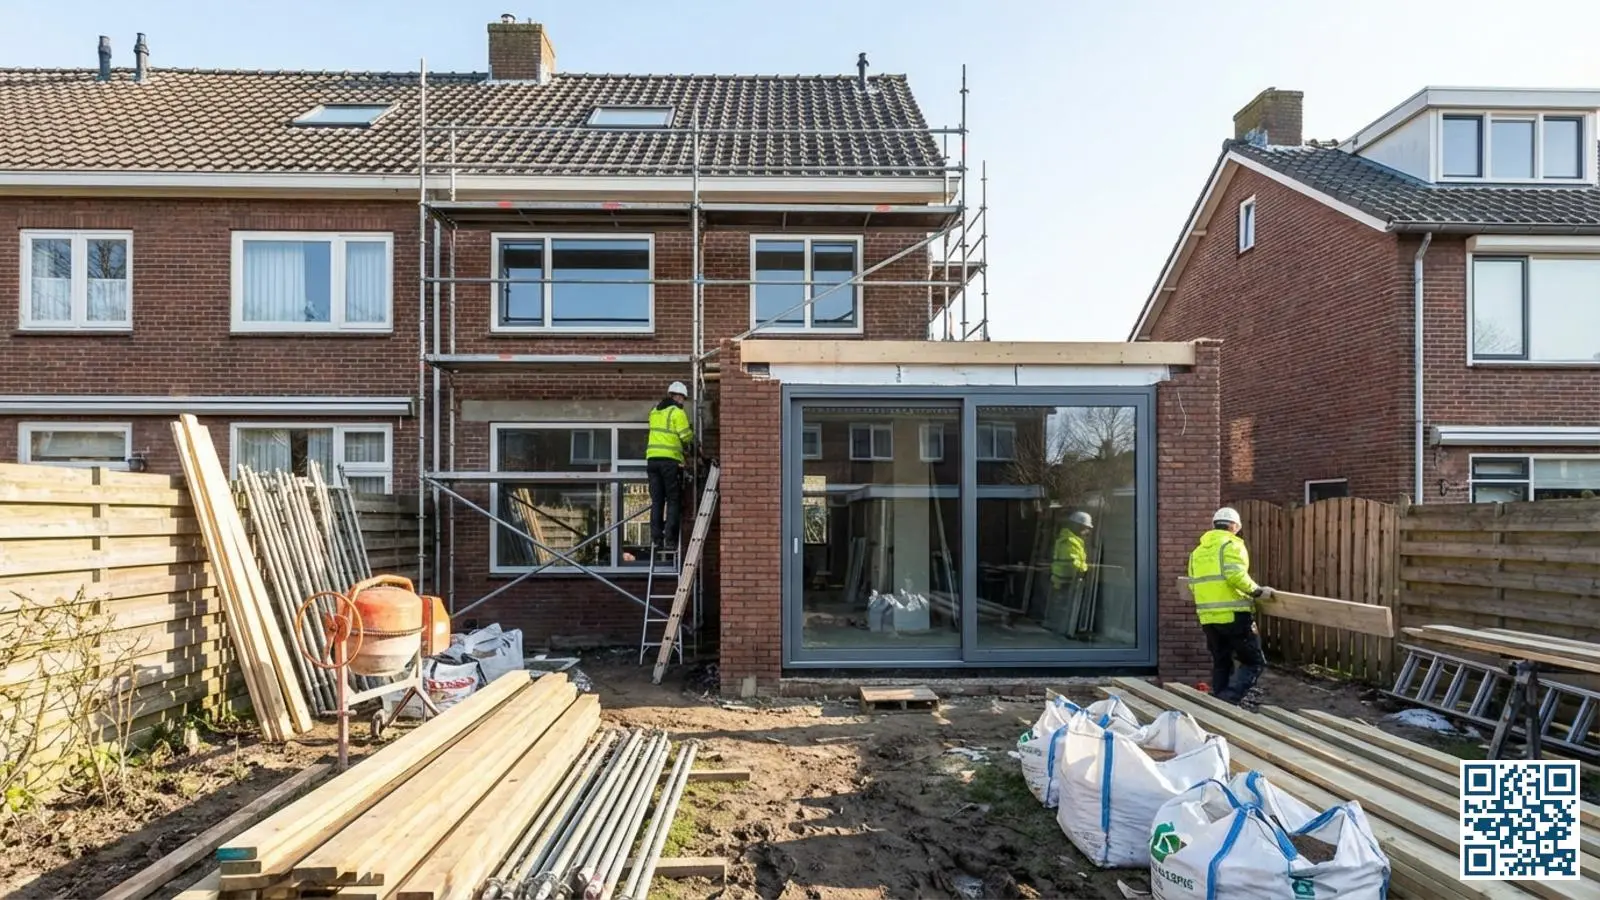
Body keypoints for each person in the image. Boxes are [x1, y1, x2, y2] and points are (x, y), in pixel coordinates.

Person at [1187, 506, 1272, 705]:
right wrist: (1257, 591)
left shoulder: (1197, 552)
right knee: (1254, 662)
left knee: (1221, 661)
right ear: (1234, 526)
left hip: (1208, 617)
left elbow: (1193, 584)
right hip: (1234, 615)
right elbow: (1236, 575)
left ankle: (1218, 701)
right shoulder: (1231, 545)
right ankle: (1228, 700)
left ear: (1214, 525)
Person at [645, 381, 695, 548]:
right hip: (669, 461)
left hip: (652, 461)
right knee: (673, 500)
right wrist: (691, 435)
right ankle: (670, 539)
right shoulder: (677, 412)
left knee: (657, 501)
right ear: (678, 396)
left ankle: (656, 538)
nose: (683, 402)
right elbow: (685, 436)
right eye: (683, 398)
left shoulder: (654, 412)